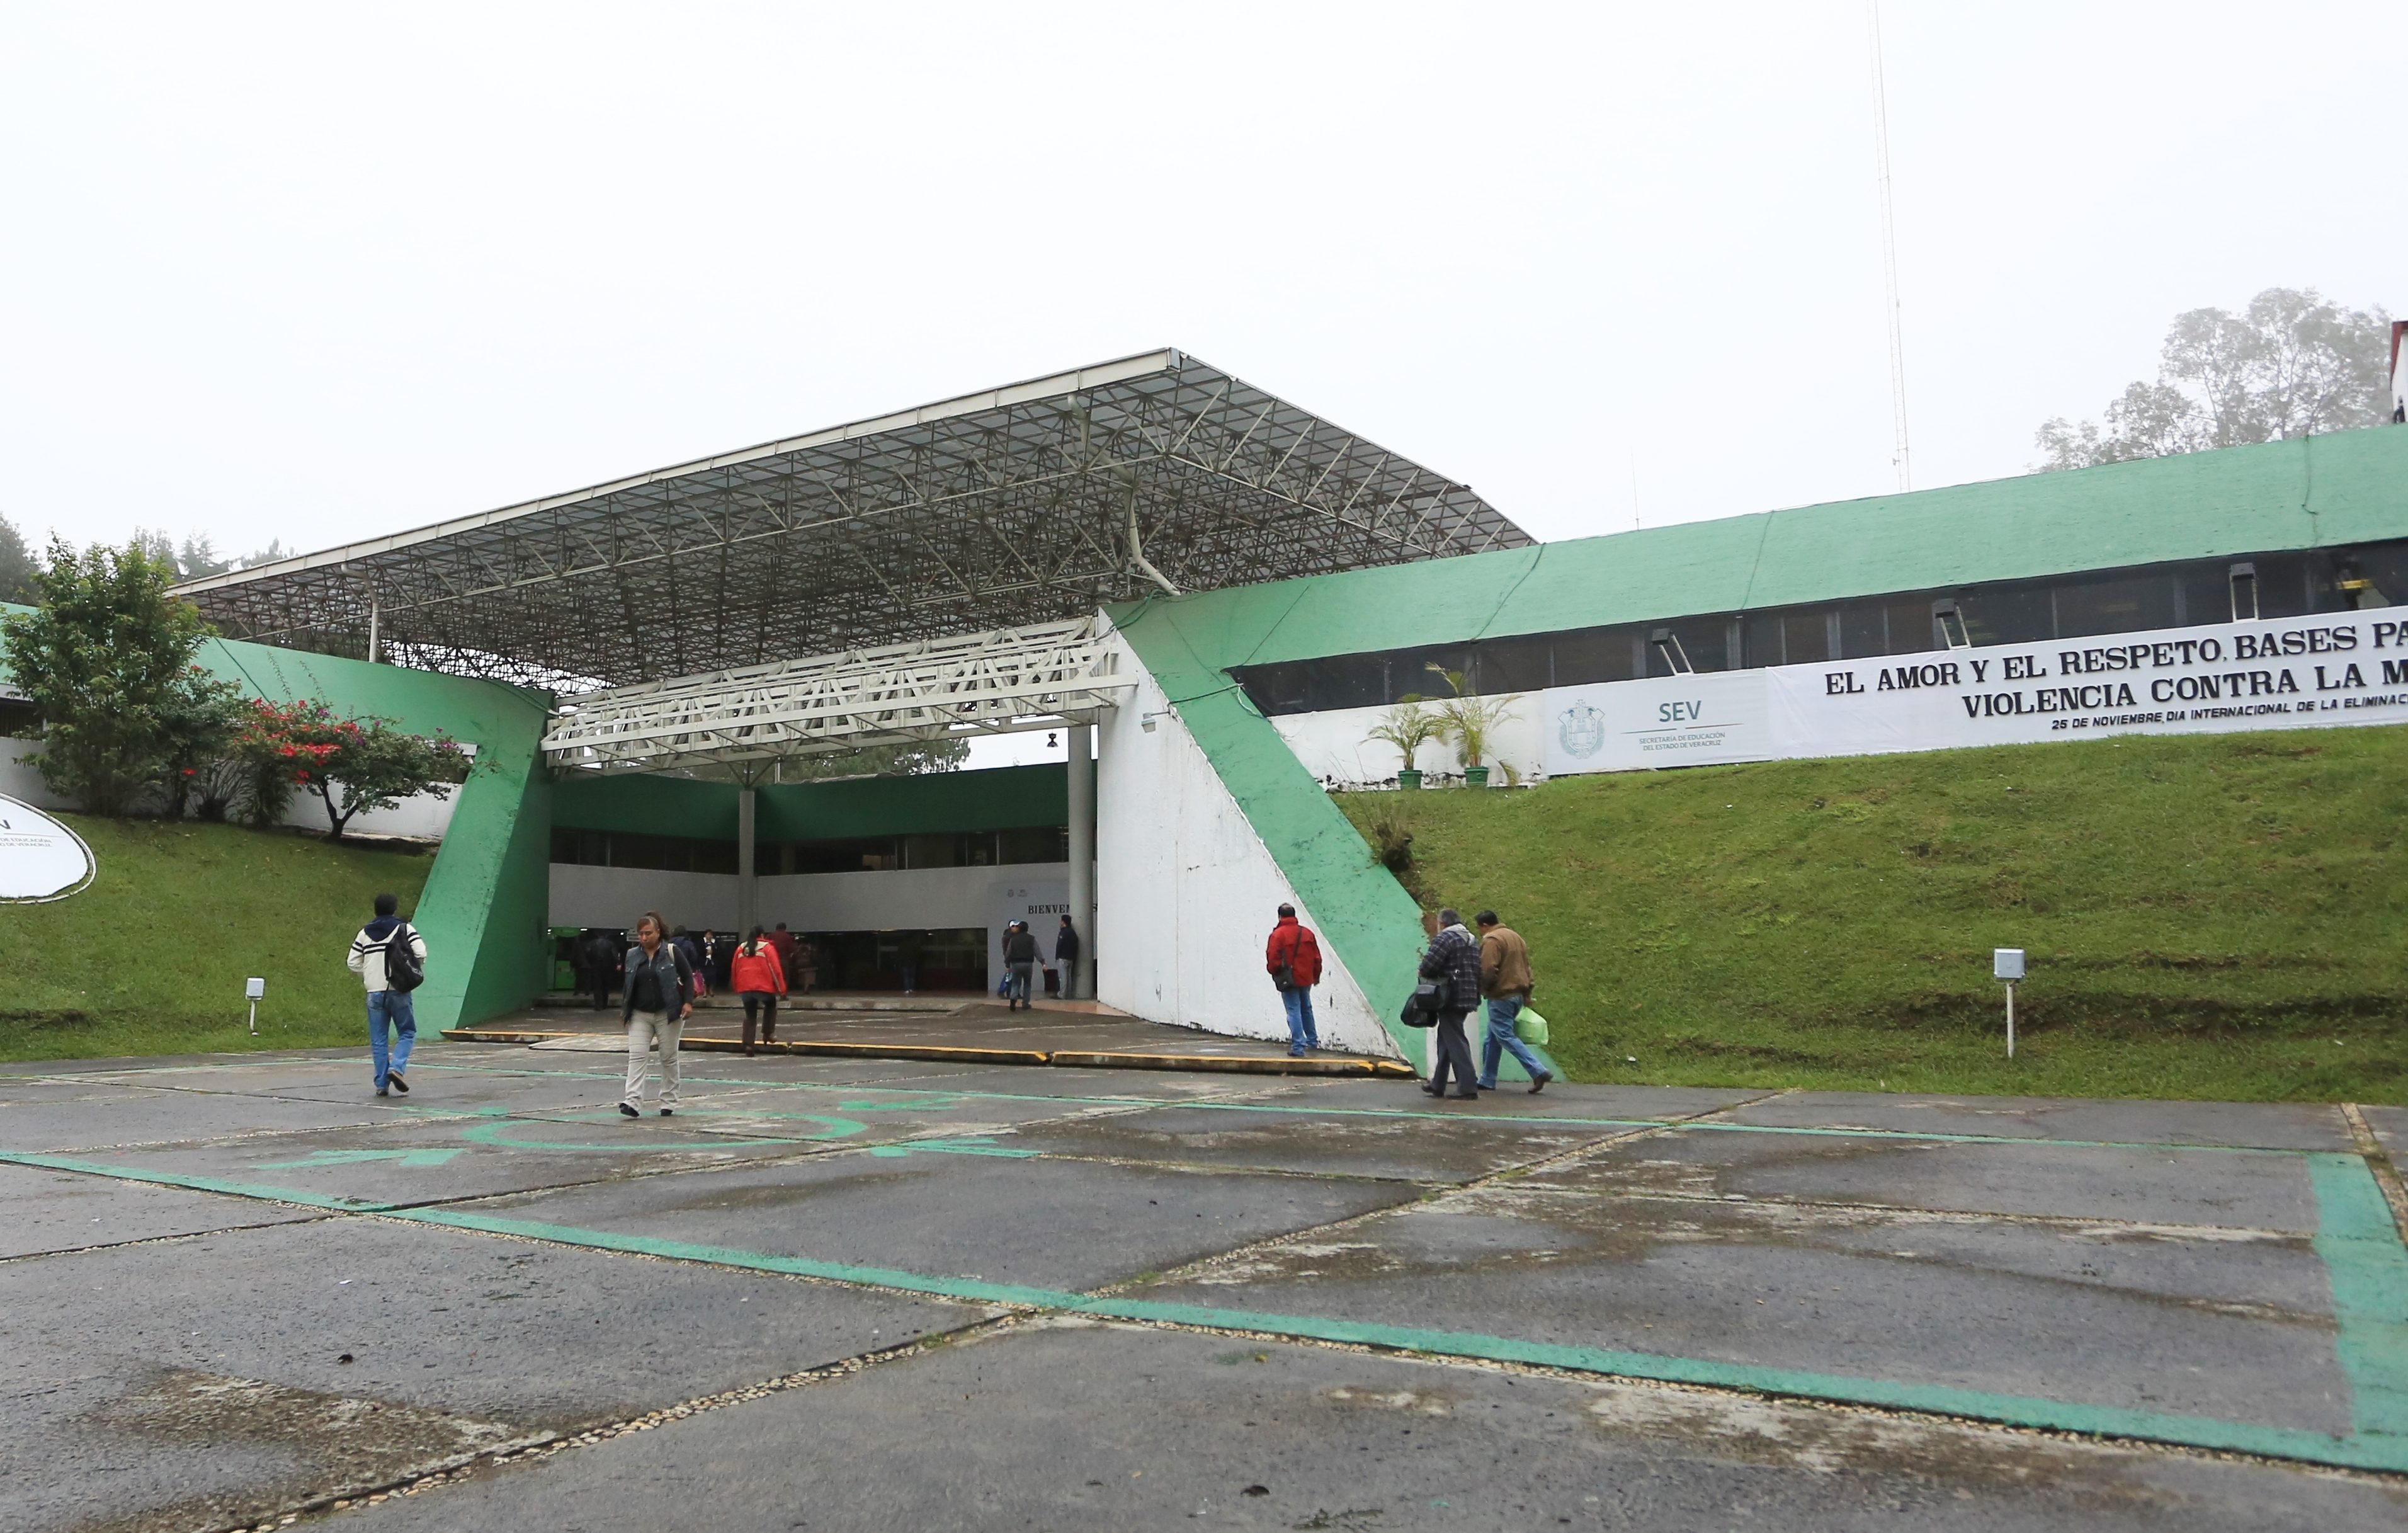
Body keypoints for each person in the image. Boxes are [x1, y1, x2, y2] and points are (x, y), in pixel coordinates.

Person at [347, 893, 427, 1097]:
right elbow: (421, 952)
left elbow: (352, 962)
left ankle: (382, 1084)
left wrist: (370, 974)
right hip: (398, 989)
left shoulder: (364, 933)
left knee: (379, 1039)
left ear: (376, 910)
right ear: (394, 908)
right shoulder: (404, 929)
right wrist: (409, 969)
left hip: (374, 992)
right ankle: (397, 1068)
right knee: (407, 1032)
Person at [620, 912, 695, 1117]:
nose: (644, 938)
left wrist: (688, 1002)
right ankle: (632, 1102)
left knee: (668, 1057)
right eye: (641, 934)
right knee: (637, 1056)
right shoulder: (632, 955)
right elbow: (628, 985)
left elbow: (688, 977)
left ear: (658, 932)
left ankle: (668, 1102)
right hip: (639, 1014)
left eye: (648, 933)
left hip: (668, 1013)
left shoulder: (672, 951)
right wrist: (625, 1010)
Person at [1475, 910, 1552, 1093]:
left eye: (1479, 928)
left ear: (1485, 925)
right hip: (1518, 994)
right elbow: (1526, 967)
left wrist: (1482, 989)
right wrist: (1528, 992)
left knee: (1504, 1035)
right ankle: (1487, 1079)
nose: (1480, 932)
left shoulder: (1492, 940)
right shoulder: (1516, 937)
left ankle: (1538, 1070)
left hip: (1502, 995)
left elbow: (1487, 969)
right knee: (1492, 1039)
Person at [1417, 907, 1482, 1100]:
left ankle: (1468, 1087)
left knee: (1455, 1041)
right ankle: (1438, 1085)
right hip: (1467, 995)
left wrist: (1423, 972)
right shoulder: (1471, 939)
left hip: (1449, 996)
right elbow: (1479, 970)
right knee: (1446, 1039)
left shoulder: (1445, 938)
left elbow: (1429, 966)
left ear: (1443, 924)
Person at [1264, 903, 1323, 1056]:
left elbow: (1273, 958)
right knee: (1306, 1008)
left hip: (1289, 979)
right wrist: (1316, 976)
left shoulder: (1278, 935)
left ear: (1280, 916)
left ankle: (1298, 1047)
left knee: (1293, 1011)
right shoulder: (1307, 933)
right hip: (1306, 977)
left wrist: (1275, 972)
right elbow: (1317, 958)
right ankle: (1312, 1041)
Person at [730, 925, 787, 1054]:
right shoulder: (767, 948)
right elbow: (776, 970)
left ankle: (749, 1045)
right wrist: (781, 990)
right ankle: (768, 1034)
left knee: (750, 1015)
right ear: (762, 936)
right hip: (763, 988)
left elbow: (734, 969)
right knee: (771, 1005)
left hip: (745, 988)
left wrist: (736, 986)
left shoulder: (741, 948)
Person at [1003, 921, 1040, 1010]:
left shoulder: (1013, 939)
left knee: (1016, 983)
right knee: (1027, 984)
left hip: (1016, 964)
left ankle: (1013, 999)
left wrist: (1007, 965)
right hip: (1028, 964)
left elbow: (1008, 953)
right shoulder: (1032, 939)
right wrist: (1043, 962)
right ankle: (1025, 1003)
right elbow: (1037, 951)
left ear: (1019, 928)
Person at [581, 928, 620, 1011]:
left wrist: (591, 963)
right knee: (605, 987)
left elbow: (587, 954)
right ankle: (605, 1004)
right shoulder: (610, 944)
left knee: (597, 987)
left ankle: (598, 1005)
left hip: (595, 967)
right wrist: (615, 964)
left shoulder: (592, 943)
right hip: (608, 968)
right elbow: (615, 956)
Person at [1055, 915, 1082, 1000]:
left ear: (1063, 922)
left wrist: (1057, 956)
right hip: (1071, 958)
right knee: (1069, 977)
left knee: (1063, 978)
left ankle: (1062, 995)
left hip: (1063, 958)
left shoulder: (1063, 933)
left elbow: (1059, 945)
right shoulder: (1073, 933)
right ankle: (1069, 995)